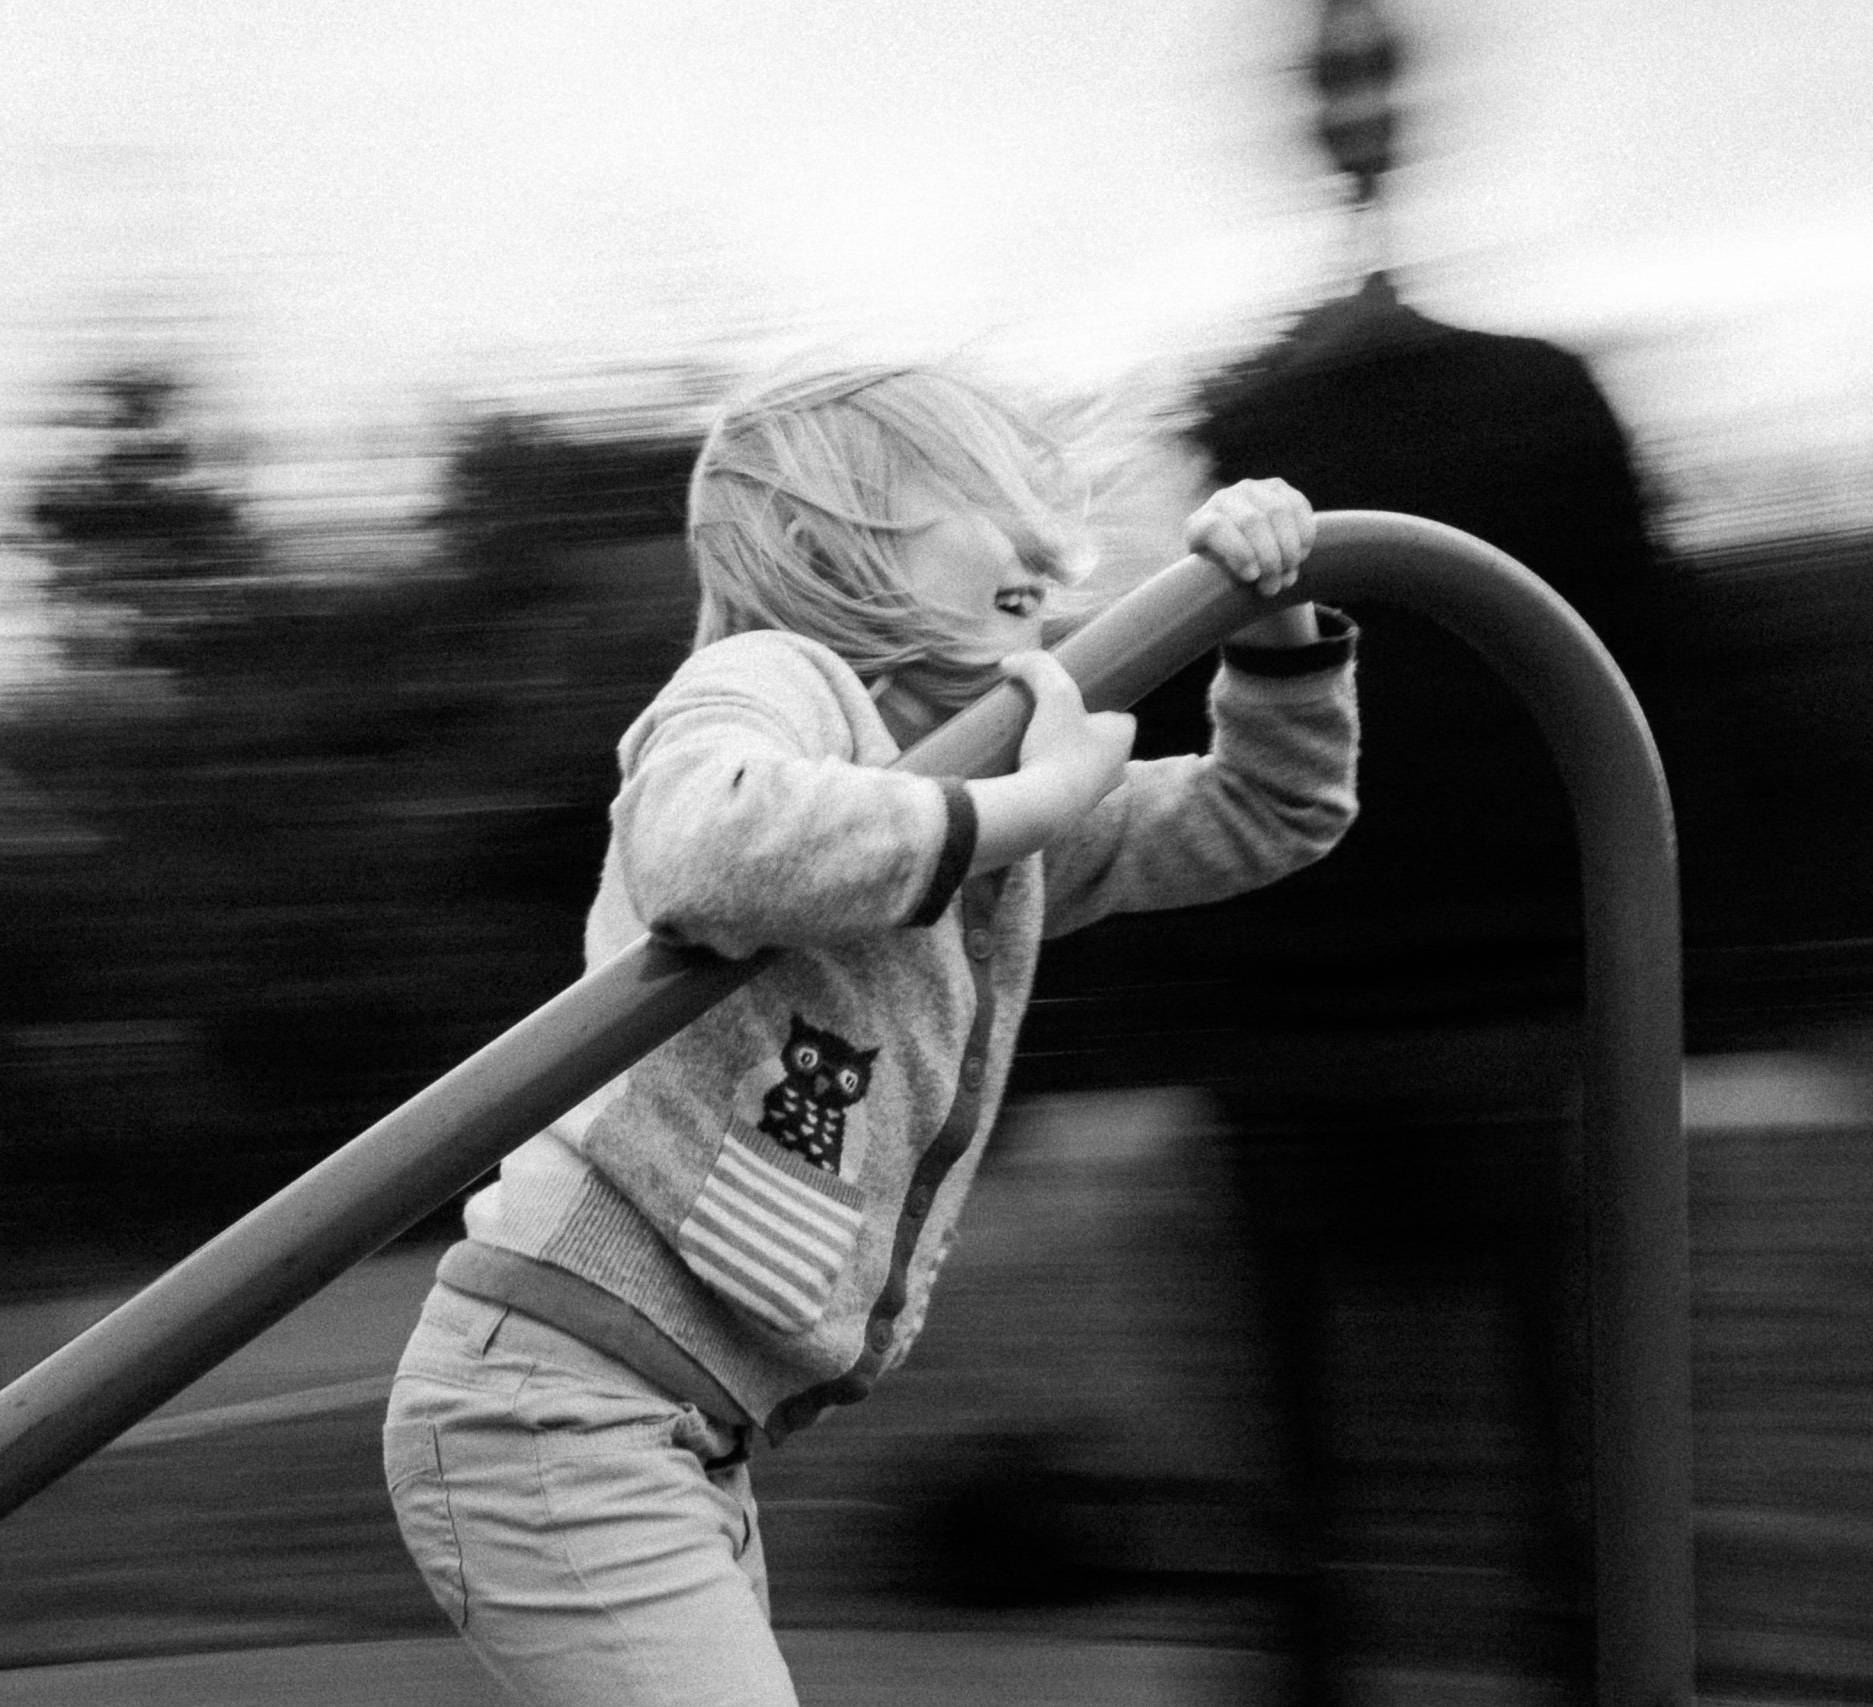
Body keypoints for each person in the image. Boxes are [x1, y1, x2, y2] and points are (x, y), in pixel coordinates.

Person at [380, 362, 1360, 1706]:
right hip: (552, 1400)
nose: (1029, 538)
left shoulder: (1000, 783)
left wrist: (1277, 616)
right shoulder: (769, 683)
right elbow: (705, 846)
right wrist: (1022, 809)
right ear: (820, 540)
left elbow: (1270, 811)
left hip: (674, 1427)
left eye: (1034, 508)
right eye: (974, 502)